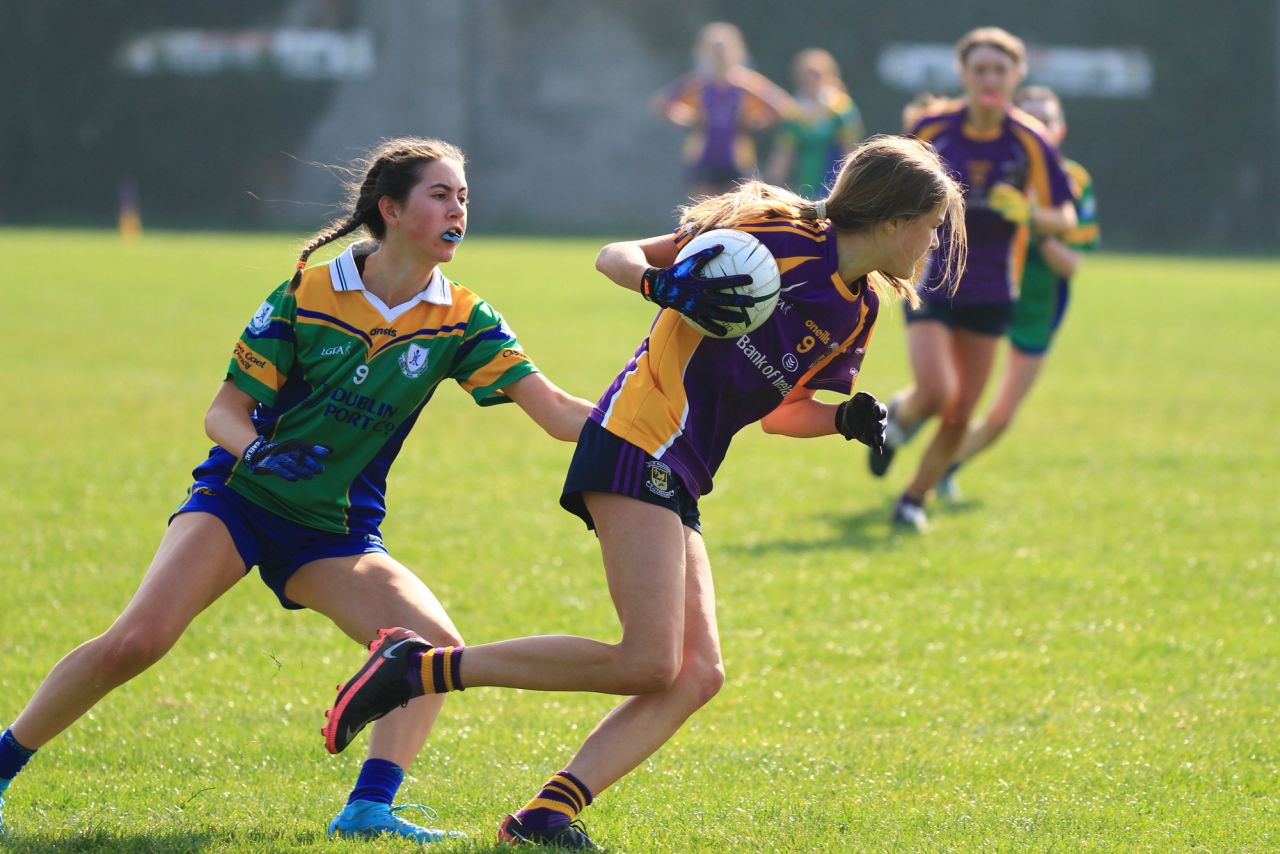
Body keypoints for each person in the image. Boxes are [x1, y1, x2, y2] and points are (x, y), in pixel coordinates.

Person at [321, 135, 968, 850]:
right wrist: (663, 286)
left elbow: (783, 415)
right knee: (649, 661)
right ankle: (419, 668)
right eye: (933, 225)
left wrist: (842, 417)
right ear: (891, 220)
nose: (934, 242)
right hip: (636, 437)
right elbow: (615, 256)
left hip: (681, 470)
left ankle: (544, 817)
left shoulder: (858, 313)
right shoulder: (773, 232)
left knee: (695, 674)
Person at [0, 137, 592, 844]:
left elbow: (556, 412)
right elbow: (223, 411)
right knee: (138, 641)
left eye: (464, 196)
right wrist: (259, 452)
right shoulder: (309, 292)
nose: (458, 209)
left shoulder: (462, 318)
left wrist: (654, 423)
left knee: (430, 649)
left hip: (334, 532)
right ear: (392, 210)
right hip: (242, 500)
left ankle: (368, 808)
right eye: (441, 195)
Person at [868, 27, 1078, 531]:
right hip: (934, 277)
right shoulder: (934, 128)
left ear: (1015, 77)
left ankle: (913, 499)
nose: (989, 79)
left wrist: (1028, 211)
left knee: (961, 411)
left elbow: (1065, 218)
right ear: (963, 74)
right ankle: (901, 416)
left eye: (999, 70)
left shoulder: (1030, 139)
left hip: (992, 290)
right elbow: (889, 183)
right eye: (979, 69)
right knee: (938, 389)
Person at [936, 85, 1100, 499]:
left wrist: (1033, 221)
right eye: (1030, 118)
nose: (1038, 127)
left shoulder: (1073, 182)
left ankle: (943, 468)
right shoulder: (988, 165)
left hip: (1036, 306)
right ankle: (901, 424)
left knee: (1002, 416)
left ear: (1058, 131)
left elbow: (1072, 264)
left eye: (1046, 120)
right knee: (947, 393)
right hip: (980, 293)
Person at [656, 21, 795, 197]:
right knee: (703, 214)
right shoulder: (698, 84)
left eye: (723, 49)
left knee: (735, 212)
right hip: (702, 157)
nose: (719, 55)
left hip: (737, 158)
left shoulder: (745, 83)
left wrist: (754, 122)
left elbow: (784, 107)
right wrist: (689, 119)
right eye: (714, 49)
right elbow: (662, 104)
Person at [766, 48, 865, 199]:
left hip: (835, 189)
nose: (811, 80)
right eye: (806, 75)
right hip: (806, 188)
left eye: (816, 74)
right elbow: (783, 155)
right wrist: (769, 186)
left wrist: (852, 186)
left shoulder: (840, 109)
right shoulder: (795, 114)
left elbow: (850, 151)